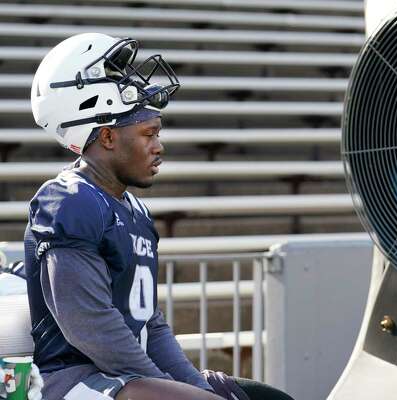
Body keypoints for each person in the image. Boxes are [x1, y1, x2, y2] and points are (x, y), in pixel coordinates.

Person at [23, 33, 294, 400]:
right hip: (76, 381)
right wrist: (172, 389)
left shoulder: (133, 210)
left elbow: (149, 323)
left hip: (129, 379)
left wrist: (193, 385)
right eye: (148, 133)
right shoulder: (70, 201)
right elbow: (92, 329)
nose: (159, 146)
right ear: (106, 137)